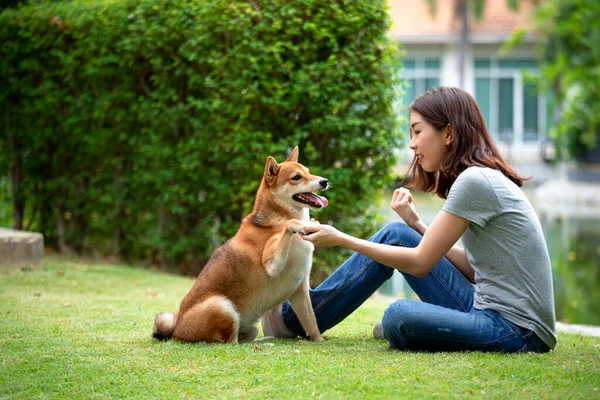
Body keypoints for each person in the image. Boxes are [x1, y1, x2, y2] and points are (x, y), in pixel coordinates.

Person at [261, 86, 556, 353]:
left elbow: (420, 263)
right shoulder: (478, 178)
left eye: (417, 132)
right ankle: (295, 320)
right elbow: (475, 269)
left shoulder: (474, 181)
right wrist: (416, 225)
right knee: (397, 234)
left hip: (517, 330)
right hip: (485, 307)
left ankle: (413, 329)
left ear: (448, 134)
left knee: (398, 315)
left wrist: (340, 238)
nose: (412, 144)